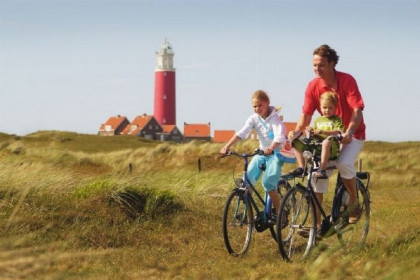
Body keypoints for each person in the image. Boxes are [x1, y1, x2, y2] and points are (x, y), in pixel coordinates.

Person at [288, 44, 366, 226]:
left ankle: (354, 202)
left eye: (321, 65)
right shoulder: (313, 85)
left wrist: (349, 132)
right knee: (317, 176)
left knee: (343, 162)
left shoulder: (347, 80)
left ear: (332, 64)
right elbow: (306, 115)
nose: (317, 69)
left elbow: (357, 110)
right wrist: (297, 131)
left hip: (351, 134)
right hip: (326, 138)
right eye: (314, 65)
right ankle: (315, 228)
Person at [220, 90, 287, 213]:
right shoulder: (253, 119)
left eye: (260, 105)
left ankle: (280, 213)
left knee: (267, 184)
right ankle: (247, 213)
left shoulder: (275, 118)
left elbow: (280, 135)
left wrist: (271, 148)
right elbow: (242, 133)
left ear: (267, 103)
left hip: (276, 154)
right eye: (254, 106)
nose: (257, 108)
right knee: (246, 181)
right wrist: (227, 146)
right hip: (261, 153)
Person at [290, 91, 344, 179]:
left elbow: (338, 132)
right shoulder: (318, 120)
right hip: (317, 146)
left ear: (335, 108)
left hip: (331, 148)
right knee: (295, 141)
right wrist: (311, 131)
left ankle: (322, 169)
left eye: (330, 108)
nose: (327, 110)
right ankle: (302, 167)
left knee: (326, 142)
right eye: (325, 107)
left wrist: (323, 132)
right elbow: (313, 135)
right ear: (320, 107)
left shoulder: (337, 119)